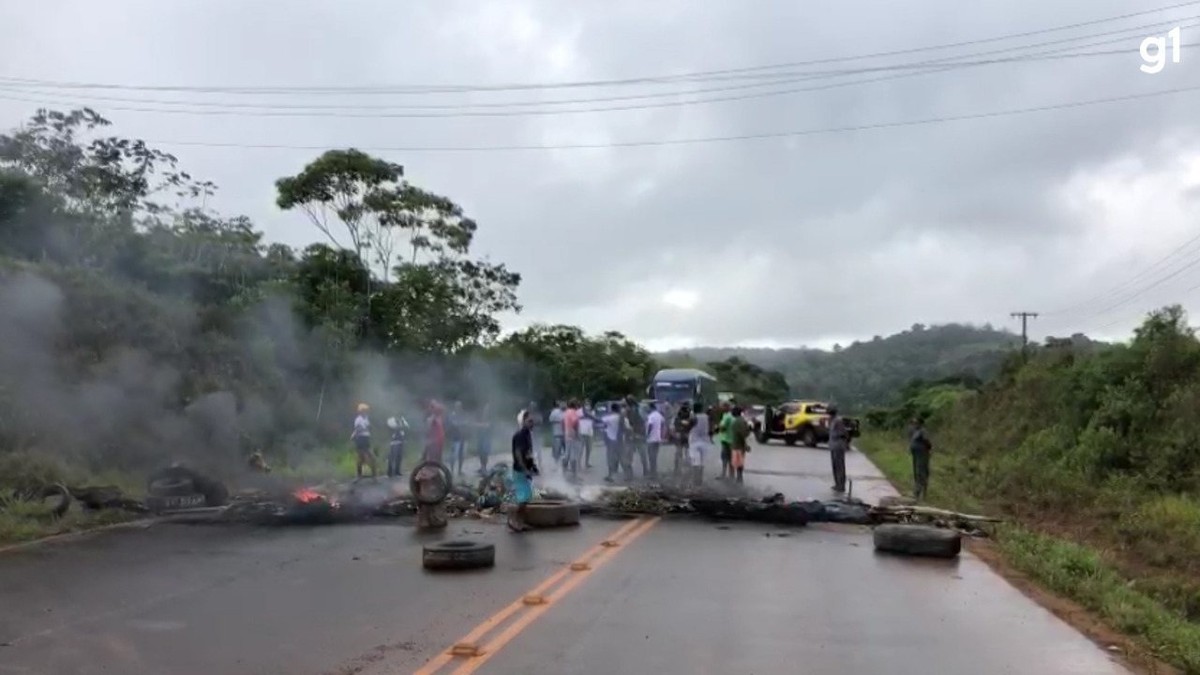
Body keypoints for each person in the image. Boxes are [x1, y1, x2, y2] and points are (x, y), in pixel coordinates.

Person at [509, 410, 540, 532]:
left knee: (526, 498)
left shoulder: (527, 434)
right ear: (523, 422)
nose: (532, 423)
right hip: (520, 470)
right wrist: (525, 469)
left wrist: (533, 467)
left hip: (526, 470)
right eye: (529, 421)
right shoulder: (519, 435)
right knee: (522, 499)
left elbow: (529, 454)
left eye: (532, 421)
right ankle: (515, 521)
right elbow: (518, 454)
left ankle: (520, 522)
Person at [686, 401, 710, 486]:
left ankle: (695, 481)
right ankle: (700, 481)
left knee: (696, 462)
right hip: (705, 441)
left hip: (694, 441)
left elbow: (688, 426)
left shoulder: (693, 417)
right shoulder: (707, 417)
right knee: (702, 463)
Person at [351, 403, 377, 479]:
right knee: (362, 457)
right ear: (360, 411)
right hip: (361, 439)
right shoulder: (358, 419)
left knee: (371, 457)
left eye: (366, 410)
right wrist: (364, 429)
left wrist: (368, 428)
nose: (366, 412)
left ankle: (373, 475)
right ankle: (360, 475)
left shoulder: (366, 418)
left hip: (366, 438)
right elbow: (358, 429)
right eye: (364, 410)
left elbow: (369, 427)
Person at [909, 416, 933, 501]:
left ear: (920, 423)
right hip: (916, 454)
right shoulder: (915, 431)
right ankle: (917, 491)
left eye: (916, 423)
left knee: (921, 473)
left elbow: (927, 441)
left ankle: (920, 493)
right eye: (913, 423)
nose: (914, 424)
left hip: (922, 454)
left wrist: (928, 449)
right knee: (916, 472)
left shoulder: (923, 431)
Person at [828, 404, 850, 493]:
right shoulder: (832, 420)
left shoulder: (838, 421)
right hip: (833, 445)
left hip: (838, 445)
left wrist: (843, 441)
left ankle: (841, 485)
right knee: (835, 466)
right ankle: (837, 484)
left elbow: (844, 433)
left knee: (839, 466)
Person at [624, 396, 647, 479]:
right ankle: (646, 471)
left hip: (634, 435)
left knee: (629, 456)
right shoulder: (639, 409)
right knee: (642, 454)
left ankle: (629, 475)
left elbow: (632, 424)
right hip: (638, 435)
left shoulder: (633, 411)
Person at [728, 406, 751, 484]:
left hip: (737, 446)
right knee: (738, 463)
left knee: (736, 463)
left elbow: (743, 434)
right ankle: (738, 479)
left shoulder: (737, 422)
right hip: (738, 445)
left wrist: (745, 445)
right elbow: (745, 433)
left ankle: (736, 480)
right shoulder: (741, 421)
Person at [601, 402, 624, 482]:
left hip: (611, 440)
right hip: (619, 440)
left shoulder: (611, 418)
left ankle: (611, 475)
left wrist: (587, 414)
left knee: (611, 458)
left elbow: (598, 420)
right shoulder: (621, 417)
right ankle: (626, 474)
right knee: (619, 457)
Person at [644, 402, 666, 479]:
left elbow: (650, 425)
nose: (647, 409)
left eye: (648, 407)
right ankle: (654, 472)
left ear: (651, 408)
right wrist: (662, 434)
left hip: (651, 439)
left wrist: (647, 434)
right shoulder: (659, 415)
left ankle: (653, 473)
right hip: (657, 438)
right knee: (655, 456)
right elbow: (663, 423)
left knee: (651, 457)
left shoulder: (651, 416)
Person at [671, 402, 693, 476]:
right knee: (687, 453)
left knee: (678, 453)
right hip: (686, 435)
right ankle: (688, 470)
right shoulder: (690, 414)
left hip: (680, 435)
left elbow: (675, 426)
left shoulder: (678, 416)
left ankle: (677, 469)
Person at [447, 401, 467, 477]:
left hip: (463, 437)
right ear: (455, 407)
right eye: (457, 406)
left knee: (462, 455)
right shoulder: (452, 415)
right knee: (454, 455)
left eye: (460, 406)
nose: (459, 407)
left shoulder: (463, 415)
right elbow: (453, 424)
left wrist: (461, 424)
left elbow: (465, 423)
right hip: (455, 438)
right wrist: (462, 424)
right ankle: (451, 471)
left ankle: (459, 471)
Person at [563, 400, 582, 477]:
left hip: (567, 434)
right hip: (573, 435)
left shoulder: (566, 412)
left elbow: (562, 422)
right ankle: (574, 474)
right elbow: (575, 423)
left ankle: (563, 470)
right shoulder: (574, 412)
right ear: (575, 406)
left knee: (567, 453)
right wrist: (577, 434)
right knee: (573, 455)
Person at [716, 402, 734, 479]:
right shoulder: (728, 415)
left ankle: (724, 474)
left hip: (727, 440)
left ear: (727, 407)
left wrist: (717, 427)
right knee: (729, 459)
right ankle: (731, 476)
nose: (721, 408)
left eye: (722, 407)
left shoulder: (727, 416)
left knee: (726, 458)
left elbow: (723, 427)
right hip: (729, 439)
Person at [476, 403, 494, 475]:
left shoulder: (490, 418)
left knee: (485, 453)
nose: (485, 410)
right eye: (485, 409)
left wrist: (478, 425)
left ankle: (484, 468)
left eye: (487, 409)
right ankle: (482, 467)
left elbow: (487, 426)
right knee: (480, 452)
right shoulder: (482, 417)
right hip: (481, 437)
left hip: (487, 437)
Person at [548, 401, 566, 467]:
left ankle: (564, 464)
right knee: (557, 450)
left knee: (565, 450)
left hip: (564, 434)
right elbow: (550, 420)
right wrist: (559, 421)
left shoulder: (566, 412)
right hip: (557, 434)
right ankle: (556, 464)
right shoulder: (554, 412)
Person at [578, 402, 595, 471]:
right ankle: (578, 463)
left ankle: (587, 462)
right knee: (581, 448)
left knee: (589, 448)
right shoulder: (579, 411)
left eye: (589, 404)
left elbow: (593, 421)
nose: (588, 406)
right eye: (586, 404)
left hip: (589, 432)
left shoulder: (593, 412)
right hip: (582, 431)